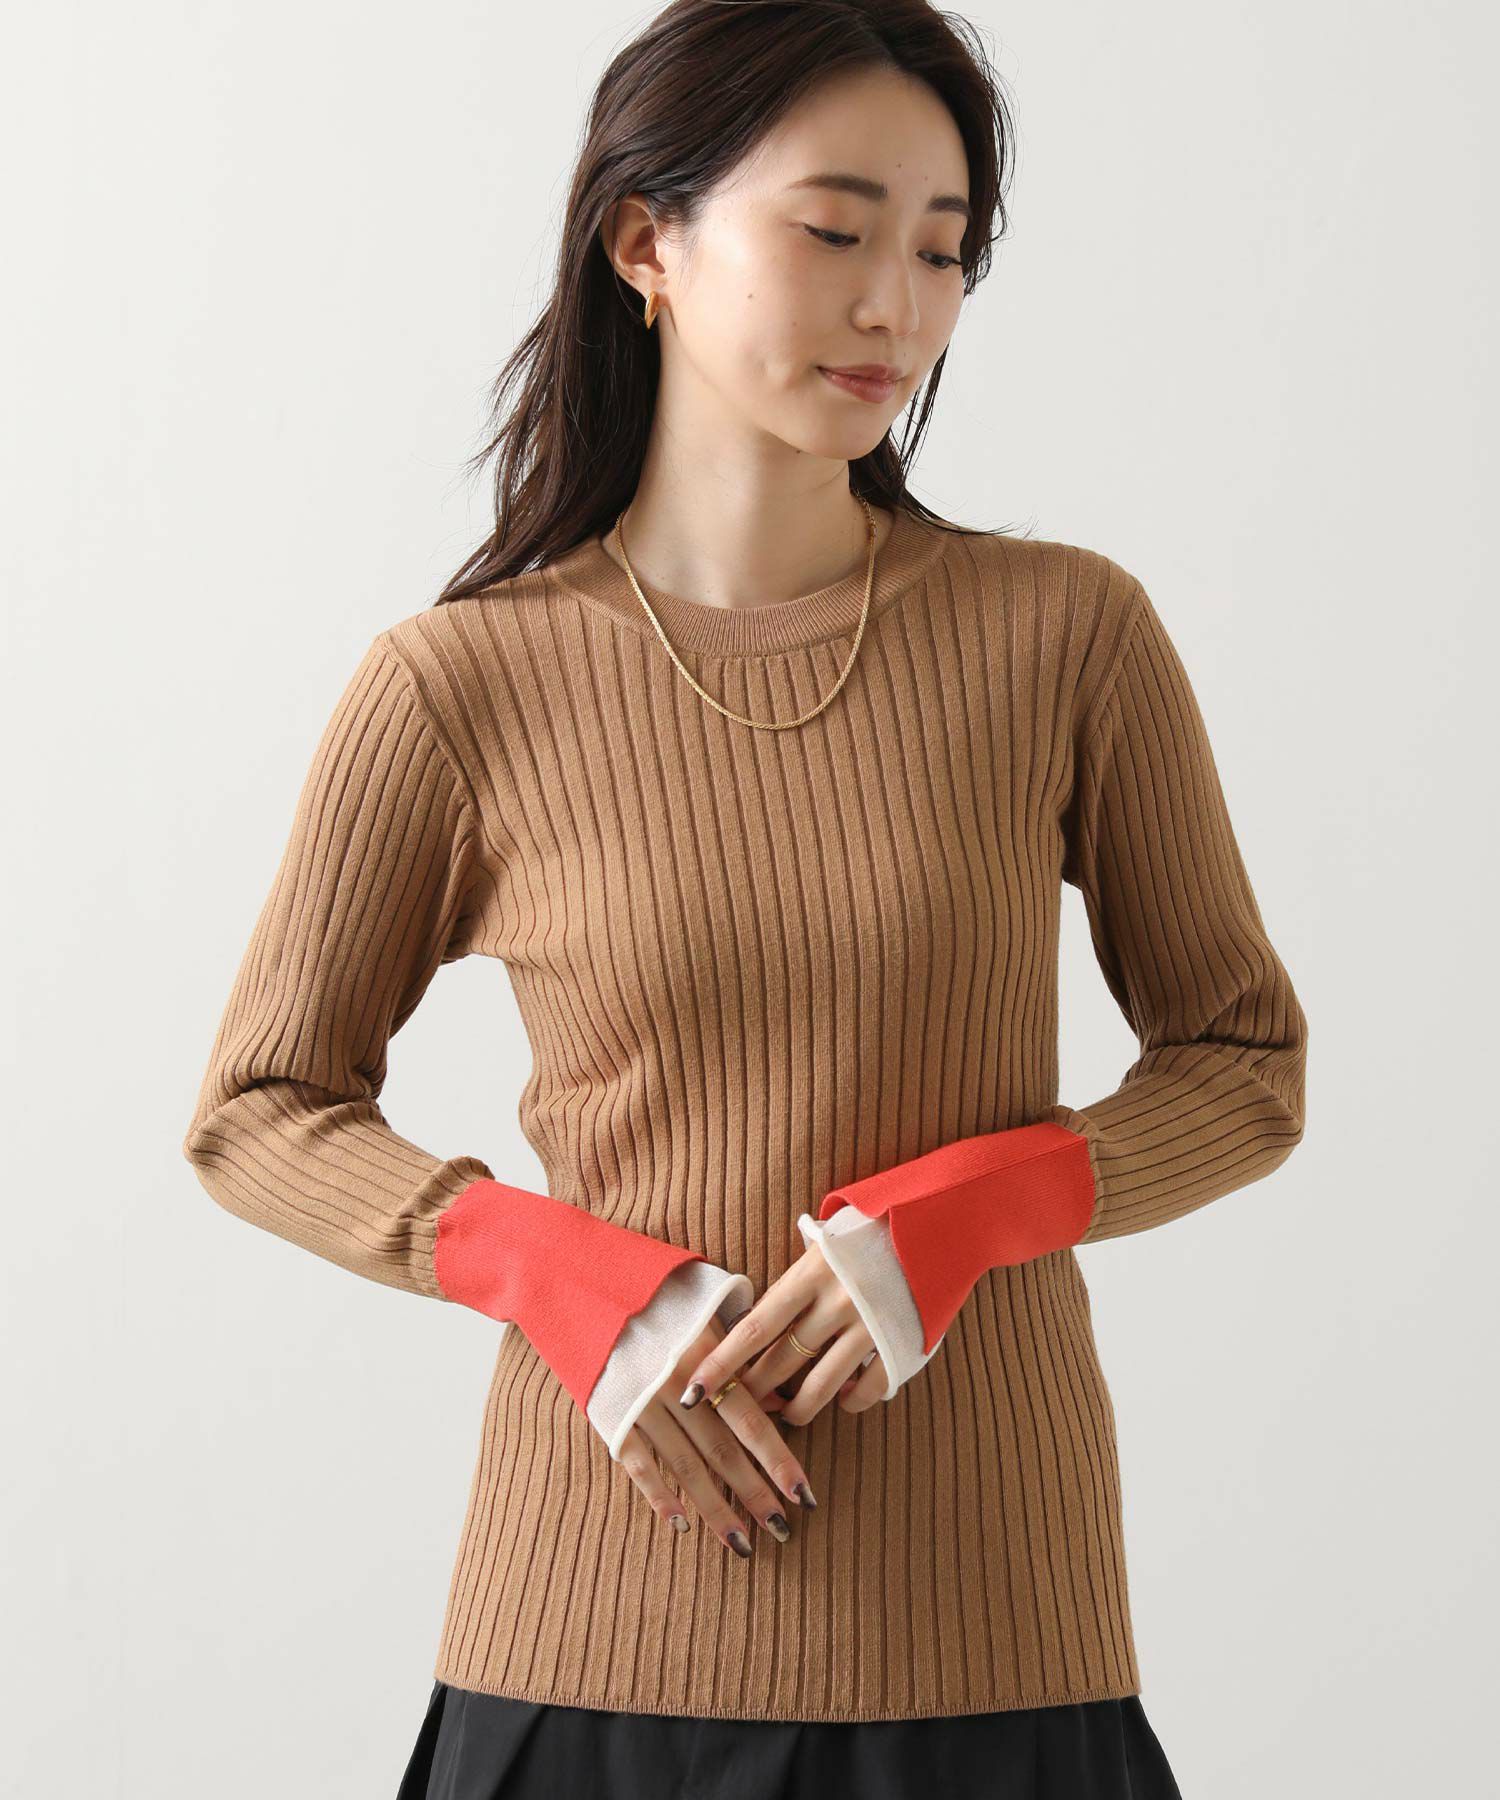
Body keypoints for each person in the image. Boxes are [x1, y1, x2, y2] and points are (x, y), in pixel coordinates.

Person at [182, 2, 1309, 1793]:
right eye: (836, 231)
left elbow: (1243, 1064)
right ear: (648, 242)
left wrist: (971, 1210)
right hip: (588, 1628)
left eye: (941, 251)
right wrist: (555, 1272)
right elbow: (257, 1107)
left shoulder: (1064, 634)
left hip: (992, 1629)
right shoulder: (459, 684)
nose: (899, 310)